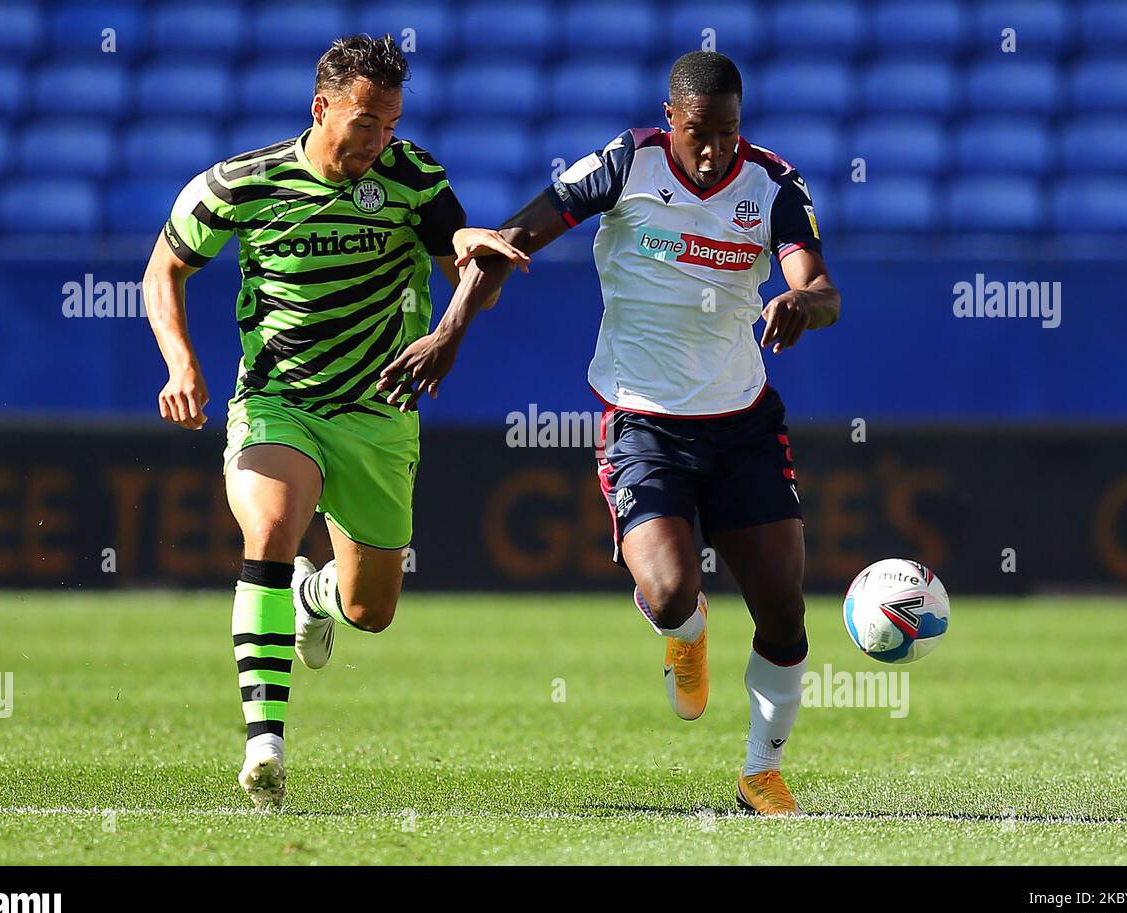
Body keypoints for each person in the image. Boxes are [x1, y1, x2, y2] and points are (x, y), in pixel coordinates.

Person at [378, 50, 840, 815]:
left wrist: (801, 306)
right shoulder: (625, 165)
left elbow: (821, 288)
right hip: (644, 423)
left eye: (728, 132)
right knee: (667, 593)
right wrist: (450, 333)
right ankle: (684, 633)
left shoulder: (773, 184)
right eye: (701, 132)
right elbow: (509, 238)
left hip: (743, 426)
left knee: (784, 611)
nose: (716, 148)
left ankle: (762, 772)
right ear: (671, 119)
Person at [143, 34, 527, 808]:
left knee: (370, 611)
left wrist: (473, 258)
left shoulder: (412, 176)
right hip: (279, 401)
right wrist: (181, 365)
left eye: (388, 124)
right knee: (272, 528)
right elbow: (167, 267)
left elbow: (458, 253)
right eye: (364, 123)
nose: (377, 140)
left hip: (379, 415)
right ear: (322, 109)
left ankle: (313, 602)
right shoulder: (240, 183)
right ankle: (265, 746)